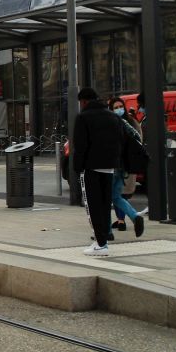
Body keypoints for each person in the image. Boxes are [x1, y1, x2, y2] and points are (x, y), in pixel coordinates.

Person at [73, 87, 124, 256]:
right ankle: (103, 241)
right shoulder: (112, 116)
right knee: (104, 204)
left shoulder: (83, 118)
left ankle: (100, 243)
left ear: (84, 101)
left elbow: (80, 145)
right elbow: (120, 140)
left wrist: (77, 166)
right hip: (109, 166)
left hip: (91, 167)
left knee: (93, 206)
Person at [109, 97, 146, 238]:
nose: (119, 109)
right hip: (123, 166)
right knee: (117, 197)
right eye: (115, 107)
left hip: (116, 166)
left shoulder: (117, 122)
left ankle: (107, 232)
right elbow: (137, 137)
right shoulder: (128, 122)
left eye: (120, 106)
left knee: (107, 198)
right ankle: (134, 216)